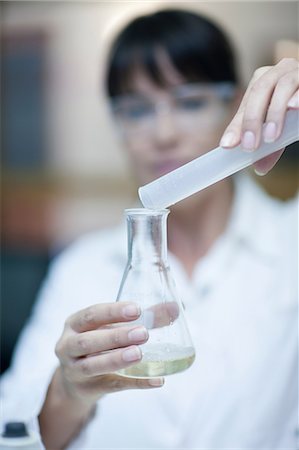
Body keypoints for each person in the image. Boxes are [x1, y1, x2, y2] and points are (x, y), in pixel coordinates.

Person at [1, 9, 298, 450]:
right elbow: (10, 428)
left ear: (238, 106)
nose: (163, 133)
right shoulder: (81, 267)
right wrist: (67, 392)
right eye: (136, 110)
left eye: (191, 101)